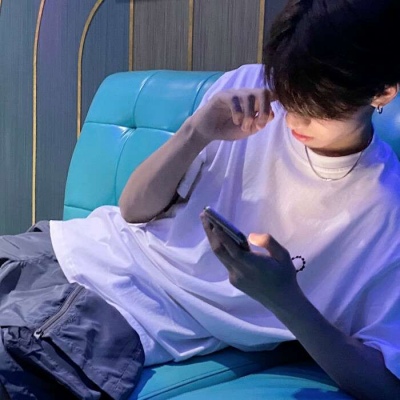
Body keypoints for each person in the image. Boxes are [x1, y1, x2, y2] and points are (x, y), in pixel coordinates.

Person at [1, 0, 400, 399]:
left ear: (383, 92)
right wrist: (197, 130)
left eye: (319, 108)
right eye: (288, 97)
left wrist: (284, 298)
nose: (294, 119)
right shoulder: (247, 90)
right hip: (64, 247)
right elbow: (133, 211)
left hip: (116, 313)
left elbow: (384, 383)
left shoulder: (384, 212)